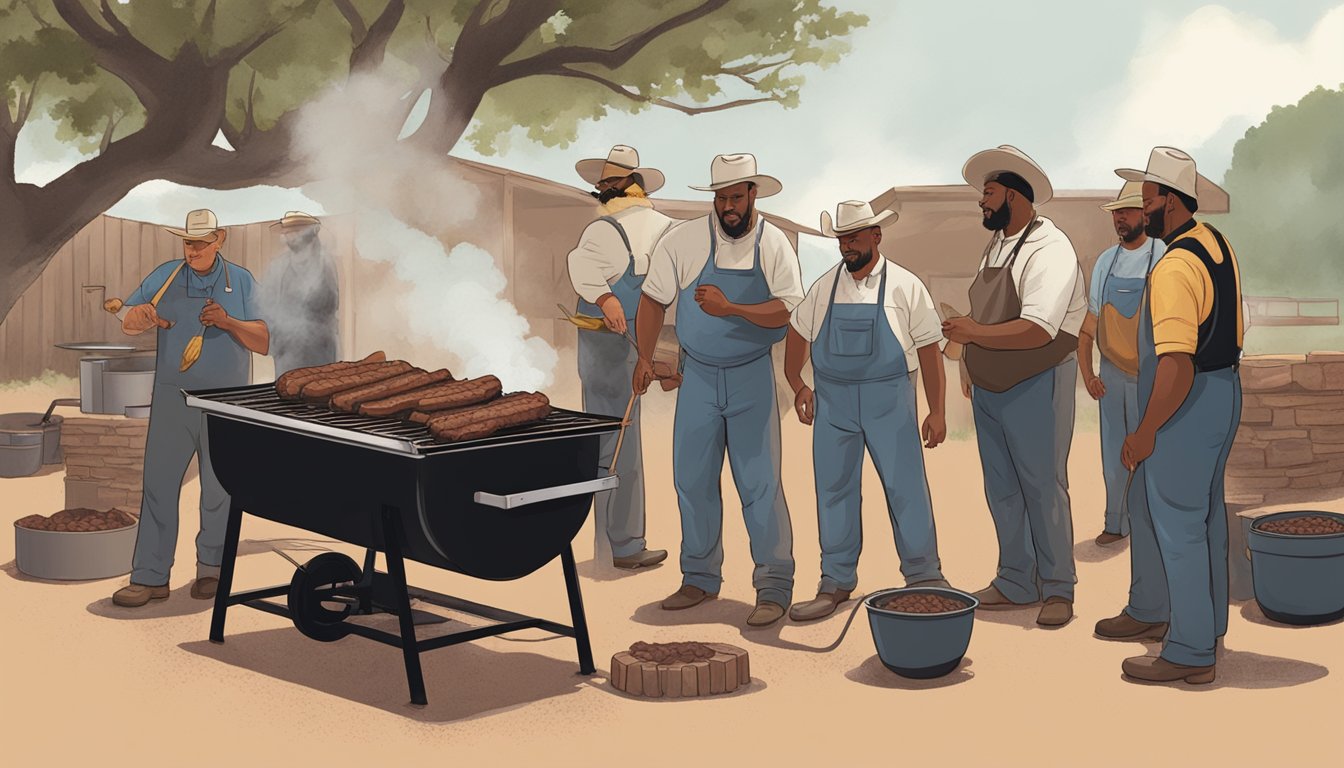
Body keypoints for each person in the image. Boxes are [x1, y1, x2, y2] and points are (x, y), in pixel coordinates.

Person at [633, 153, 804, 627]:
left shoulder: (774, 245)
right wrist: (645, 358)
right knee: (692, 479)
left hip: (752, 376)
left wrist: (733, 309)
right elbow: (652, 299)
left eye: (736, 197)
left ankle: (773, 586)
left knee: (759, 483)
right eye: (721, 197)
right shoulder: (684, 240)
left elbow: (788, 313)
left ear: (753, 195)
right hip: (698, 378)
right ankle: (699, 578)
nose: (729, 206)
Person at [784, 200, 951, 622]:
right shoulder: (824, 287)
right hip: (833, 403)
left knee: (905, 486)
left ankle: (925, 575)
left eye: (855, 237)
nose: (847, 246)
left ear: (876, 236)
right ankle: (834, 582)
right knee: (834, 490)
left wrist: (936, 410)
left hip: (890, 400)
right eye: (842, 239)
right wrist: (798, 382)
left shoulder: (905, 286)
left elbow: (930, 351)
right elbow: (798, 331)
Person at [942, 145, 1086, 628]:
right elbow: (981, 314)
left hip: (1037, 381)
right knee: (1002, 488)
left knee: (1044, 485)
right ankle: (1015, 579)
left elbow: (1038, 330)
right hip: (991, 387)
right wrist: (967, 362)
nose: (981, 203)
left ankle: (1059, 588)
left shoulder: (1051, 248)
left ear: (1016, 196)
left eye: (989, 193)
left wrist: (972, 335)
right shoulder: (996, 244)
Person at [1119, 147, 1243, 684]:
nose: (1141, 211)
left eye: (1146, 202)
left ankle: (1190, 653)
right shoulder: (1217, 245)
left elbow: (1175, 362)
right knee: (1208, 519)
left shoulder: (1174, 265)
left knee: (1179, 526)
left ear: (1168, 202)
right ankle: (1209, 628)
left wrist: (1146, 430)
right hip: (1225, 392)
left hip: (1186, 404)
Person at [111, 209, 269, 607]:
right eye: (188, 242)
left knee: (220, 488)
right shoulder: (165, 277)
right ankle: (150, 576)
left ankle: (212, 571)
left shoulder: (242, 281)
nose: (193, 249)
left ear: (220, 240)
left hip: (227, 402)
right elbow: (128, 322)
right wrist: (139, 318)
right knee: (159, 485)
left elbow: (264, 340)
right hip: (172, 397)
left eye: (200, 242)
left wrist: (229, 321)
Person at [566, 145, 674, 570]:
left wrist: (606, 297)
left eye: (607, 184)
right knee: (620, 437)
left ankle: (616, 546)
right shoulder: (671, 229)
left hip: (610, 345)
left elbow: (581, 267)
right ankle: (621, 545)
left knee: (611, 436)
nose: (601, 191)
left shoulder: (604, 230)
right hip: (627, 338)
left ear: (627, 186)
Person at [1081, 180, 1172, 643]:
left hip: (1152, 375)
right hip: (1112, 373)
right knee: (1112, 454)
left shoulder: (1163, 256)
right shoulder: (1104, 262)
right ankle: (1115, 524)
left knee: (1150, 458)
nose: (1120, 219)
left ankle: (1147, 529)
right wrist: (1087, 369)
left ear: (1146, 215)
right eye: (1116, 213)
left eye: (1128, 212)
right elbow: (1091, 322)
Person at [258, 211, 339, 376]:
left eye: (296, 230)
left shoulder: (326, 263)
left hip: (319, 350)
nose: (290, 235)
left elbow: (330, 304)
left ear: (311, 232)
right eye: (287, 231)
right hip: (286, 350)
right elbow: (267, 304)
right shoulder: (278, 266)